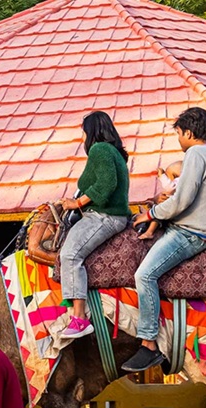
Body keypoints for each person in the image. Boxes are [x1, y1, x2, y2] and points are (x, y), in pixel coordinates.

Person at [124, 107, 206, 372]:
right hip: (201, 228)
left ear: (189, 133)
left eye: (179, 134)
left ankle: (149, 344)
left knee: (144, 275)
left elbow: (182, 200)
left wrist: (151, 213)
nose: (179, 140)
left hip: (190, 233)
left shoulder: (196, 153)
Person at [57, 111, 132, 340]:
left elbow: (107, 184)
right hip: (110, 216)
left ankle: (79, 318)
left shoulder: (99, 149)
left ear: (91, 132)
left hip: (103, 216)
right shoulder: (115, 153)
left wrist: (77, 202)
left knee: (69, 255)